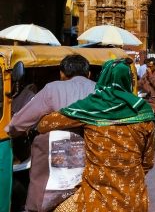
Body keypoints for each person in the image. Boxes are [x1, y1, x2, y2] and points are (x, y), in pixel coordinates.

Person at [37, 58, 155, 212]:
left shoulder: (90, 107)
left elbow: (44, 125)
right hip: (134, 198)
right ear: (128, 80)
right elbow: (148, 162)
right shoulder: (143, 110)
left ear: (102, 78)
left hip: (97, 199)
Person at [6, 54, 95, 212]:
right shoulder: (99, 90)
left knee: (40, 198)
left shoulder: (52, 88)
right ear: (88, 74)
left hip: (54, 161)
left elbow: (20, 122)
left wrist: (11, 130)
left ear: (61, 73)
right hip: (91, 157)